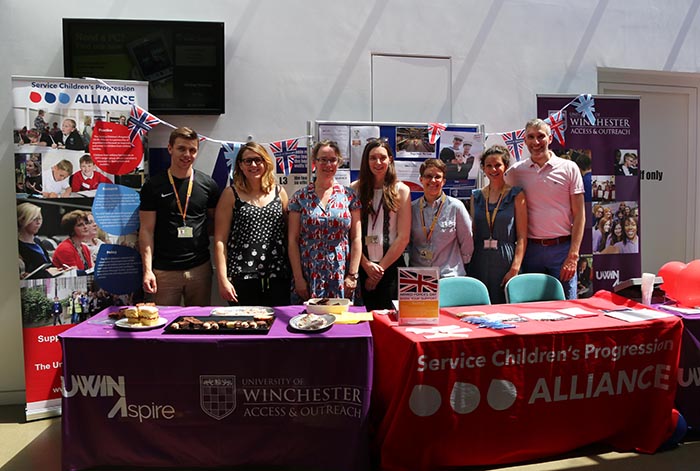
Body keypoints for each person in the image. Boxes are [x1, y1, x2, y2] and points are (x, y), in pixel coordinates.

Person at [139, 127, 220, 306]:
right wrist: (147, 270)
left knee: (198, 326)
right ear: (170, 148)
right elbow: (146, 230)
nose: (187, 154)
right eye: (181, 148)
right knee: (162, 326)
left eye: (192, 150)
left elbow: (218, 224)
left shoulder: (208, 185)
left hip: (200, 269)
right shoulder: (153, 186)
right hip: (164, 271)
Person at [504, 118, 585, 299]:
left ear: (550, 139)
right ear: (524, 141)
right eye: (531, 137)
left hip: (562, 250)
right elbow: (496, 192)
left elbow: (580, 215)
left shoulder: (569, 168)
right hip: (531, 251)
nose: (536, 142)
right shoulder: (515, 172)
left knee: (567, 306)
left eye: (541, 136)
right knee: (532, 307)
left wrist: (573, 255)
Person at [213, 142, 290, 307]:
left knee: (277, 327)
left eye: (258, 160)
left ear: (266, 163)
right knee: (246, 327)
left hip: (277, 275)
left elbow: (290, 235)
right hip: (242, 276)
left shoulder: (280, 193)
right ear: (240, 165)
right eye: (248, 161)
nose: (253, 165)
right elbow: (220, 241)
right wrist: (223, 279)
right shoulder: (230, 195)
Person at [288, 140, 361, 303]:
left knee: (341, 322)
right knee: (308, 321)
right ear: (315, 162)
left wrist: (352, 275)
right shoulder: (300, 197)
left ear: (338, 162)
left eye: (333, 160)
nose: (328, 164)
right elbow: (292, 240)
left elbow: (356, 238)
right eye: (323, 159)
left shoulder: (349, 196)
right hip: (309, 272)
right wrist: (298, 278)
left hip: (341, 272)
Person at [350, 140, 411, 310]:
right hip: (361, 267)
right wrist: (367, 266)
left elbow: (403, 237)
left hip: (390, 268)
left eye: (382, 158)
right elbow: (351, 234)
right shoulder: (355, 189)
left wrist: (379, 270)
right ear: (366, 161)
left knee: (391, 321)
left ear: (390, 159)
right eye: (373, 158)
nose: (378, 162)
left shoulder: (401, 190)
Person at [468, 145, 527, 304]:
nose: (493, 169)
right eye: (489, 165)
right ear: (483, 168)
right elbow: (473, 232)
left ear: (505, 166)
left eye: (497, 165)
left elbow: (522, 236)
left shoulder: (516, 194)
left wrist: (515, 267)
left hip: (505, 258)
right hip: (480, 258)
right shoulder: (476, 196)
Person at [409, 158, 473, 277]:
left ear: (443, 181)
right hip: (419, 275)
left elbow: (467, 239)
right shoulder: (412, 208)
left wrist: (460, 265)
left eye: (437, 177)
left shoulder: (456, 207)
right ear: (421, 180)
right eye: (428, 176)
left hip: (448, 275)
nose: (433, 180)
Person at [17, 202, 52, 278]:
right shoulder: (18, 245)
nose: (38, 222)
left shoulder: (37, 241)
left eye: (39, 218)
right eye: (34, 219)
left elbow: (48, 264)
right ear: (21, 220)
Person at [52, 209, 93, 276]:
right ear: (71, 229)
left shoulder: (85, 248)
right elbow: (75, 275)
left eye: (86, 223)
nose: (85, 227)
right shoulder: (65, 248)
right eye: (80, 225)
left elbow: (89, 271)